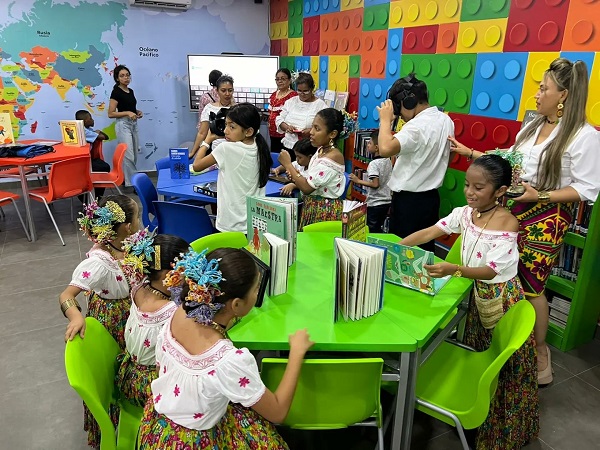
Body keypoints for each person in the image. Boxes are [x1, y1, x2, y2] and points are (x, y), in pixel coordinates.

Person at [449, 58, 600, 385]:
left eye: (543, 88)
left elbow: (587, 189)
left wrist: (539, 197)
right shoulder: (533, 125)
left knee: (532, 289)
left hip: (545, 220)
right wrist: (472, 152)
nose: (536, 93)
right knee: (499, 276)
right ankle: (500, 343)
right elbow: (510, 158)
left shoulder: (584, 136)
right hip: (511, 211)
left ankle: (539, 353)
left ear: (563, 94)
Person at [401, 154, 539, 450]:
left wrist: (455, 269)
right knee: (479, 345)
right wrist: (398, 246)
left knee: (505, 367)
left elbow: (491, 271)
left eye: (478, 188)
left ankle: (501, 431)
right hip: (477, 295)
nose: (469, 192)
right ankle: (479, 419)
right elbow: (432, 231)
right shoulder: (466, 213)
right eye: (466, 185)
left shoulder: (507, 224)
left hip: (500, 299)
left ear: (500, 192)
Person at [138, 248, 314, 449]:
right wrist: (296, 352)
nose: (258, 293)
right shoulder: (229, 360)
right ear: (237, 305)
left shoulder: (178, 311)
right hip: (194, 441)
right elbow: (278, 412)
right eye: (256, 290)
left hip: (160, 427)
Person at [58, 194, 140, 448]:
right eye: (137, 217)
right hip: (113, 321)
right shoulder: (99, 264)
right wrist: (76, 315)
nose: (140, 221)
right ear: (126, 226)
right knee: (114, 371)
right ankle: (116, 423)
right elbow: (67, 294)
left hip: (126, 312)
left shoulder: (122, 244)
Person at [376, 74, 454, 252]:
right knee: (424, 250)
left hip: (409, 203)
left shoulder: (416, 127)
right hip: (431, 199)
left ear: (409, 102)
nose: (400, 115)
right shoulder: (445, 120)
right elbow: (449, 155)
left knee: (403, 253)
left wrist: (385, 120)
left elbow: (385, 148)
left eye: (399, 108)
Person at [116, 230, 189, 408]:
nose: (190, 275)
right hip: (151, 385)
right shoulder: (170, 311)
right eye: (186, 268)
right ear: (167, 276)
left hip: (128, 374)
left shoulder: (139, 288)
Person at [192, 103, 271, 232]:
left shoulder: (226, 149)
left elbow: (196, 166)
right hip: (254, 224)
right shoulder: (260, 146)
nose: (225, 130)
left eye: (232, 127)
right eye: (226, 124)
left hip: (231, 225)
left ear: (249, 131)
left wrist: (207, 140)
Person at [278, 108, 347, 229]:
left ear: (332, 134)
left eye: (317, 129)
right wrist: (296, 175)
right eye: (312, 127)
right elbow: (311, 178)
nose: (311, 132)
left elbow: (307, 188)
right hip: (312, 207)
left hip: (324, 212)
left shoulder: (333, 157)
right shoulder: (321, 150)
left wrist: (288, 165)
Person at [349, 130, 392, 232]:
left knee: (371, 230)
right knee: (379, 229)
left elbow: (375, 184)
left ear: (376, 148)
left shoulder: (373, 164)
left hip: (375, 203)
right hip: (386, 201)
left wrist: (358, 180)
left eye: (370, 143)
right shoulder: (388, 160)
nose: (367, 145)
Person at [275, 72, 326, 160]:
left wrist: (310, 131)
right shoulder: (291, 102)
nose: (302, 94)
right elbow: (279, 119)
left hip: (309, 148)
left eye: (305, 91)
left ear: (312, 88)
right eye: (299, 91)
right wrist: (287, 127)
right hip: (289, 145)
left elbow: (325, 127)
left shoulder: (320, 105)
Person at [108, 65, 143, 191]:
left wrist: (136, 111)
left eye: (127, 75)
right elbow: (111, 113)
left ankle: (128, 179)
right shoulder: (116, 92)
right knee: (128, 155)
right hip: (123, 125)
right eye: (122, 76)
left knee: (134, 154)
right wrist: (128, 113)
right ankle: (135, 184)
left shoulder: (130, 91)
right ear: (117, 78)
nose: (126, 78)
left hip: (133, 124)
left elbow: (129, 107)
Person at [190, 74, 235, 158]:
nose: (227, 94)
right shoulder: (209, 108)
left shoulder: (238, 109)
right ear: (217, 91)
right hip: (216, 153)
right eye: (223, 90)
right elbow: (202, 133)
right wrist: (193, 152)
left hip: (234, 151)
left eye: (230, 90)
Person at [75, 110, 110, 199]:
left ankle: (96, 197)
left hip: (87, 159)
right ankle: (97, 197)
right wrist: (97, 132)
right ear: (85, 121)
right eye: (90, 118)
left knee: (103, 166)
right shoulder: (84, 131)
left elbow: (106, 137)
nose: (93, 120)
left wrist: (96, 132)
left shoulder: (87, 129)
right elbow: (103, 137)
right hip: (85, 162)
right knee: (104, 167)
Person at [268, 68, 298, 153]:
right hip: (272, 133)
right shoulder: (274, 94)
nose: (280, 81)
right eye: (277, 79)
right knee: (275, 156)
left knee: (284, 157)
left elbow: (293, 116)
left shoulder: (293, 96)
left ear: (289, 80)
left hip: (285, 134)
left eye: (283, 79)